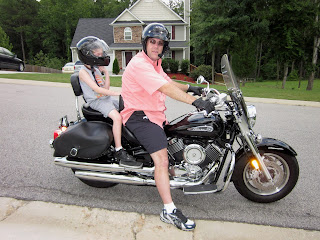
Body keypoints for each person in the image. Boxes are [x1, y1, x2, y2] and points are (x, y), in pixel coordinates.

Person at [120, 23, 215, 231]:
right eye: (152, 42)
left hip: (153, 114)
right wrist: (194, 101)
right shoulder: (139, 64)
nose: (156, 46)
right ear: (145, 43)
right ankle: (168, 210)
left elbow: (168, 81)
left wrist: (193, 88)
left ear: (164, 47)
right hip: (139, 116)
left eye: (160, 43)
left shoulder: (155, 64)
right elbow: (164, 88)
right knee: (161, 160)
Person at [76, 36, 142, 168]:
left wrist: (106, 72)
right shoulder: (83, 72)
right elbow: (96, 89)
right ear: (88, 55)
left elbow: (105, 88)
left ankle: (131, 136)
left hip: (104, 98)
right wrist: (118, 93)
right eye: (98, 54)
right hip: (96, 101)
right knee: (117, 118)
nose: (101, 56)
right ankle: (119, 150)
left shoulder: (94, 70)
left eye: (102, 54)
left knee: (129, 105)